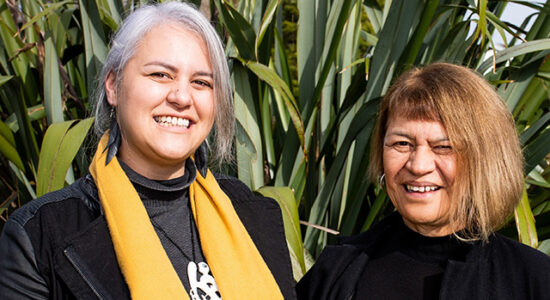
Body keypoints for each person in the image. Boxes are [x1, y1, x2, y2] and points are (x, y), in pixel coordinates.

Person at [0, 2, 296, 299]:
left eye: (201, 82)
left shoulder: (249, 213)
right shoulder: (40, 237)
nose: (181, 97)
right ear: (113, 86)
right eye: (160, 75)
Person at [296, 63, 550, 300]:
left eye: (443, 147)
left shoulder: (533, 280)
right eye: (402, 144)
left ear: (484, 159)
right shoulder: (335, 272)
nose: (418, 166)